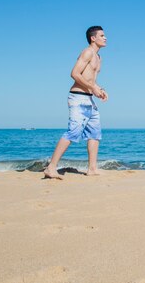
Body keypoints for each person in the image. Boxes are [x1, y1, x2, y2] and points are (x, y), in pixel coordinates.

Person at [43, 26, 109, 179]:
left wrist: (100, 89)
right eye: (102, 35)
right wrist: (92, 87)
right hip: (78, 98)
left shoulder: (99, 57)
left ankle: (92, 168)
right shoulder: (87, 52)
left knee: (95, 133)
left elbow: (91, 79)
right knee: (73, 132)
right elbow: (74, 73)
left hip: (89, 98)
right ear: (93, 38)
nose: (105, 38)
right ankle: (51, 167)